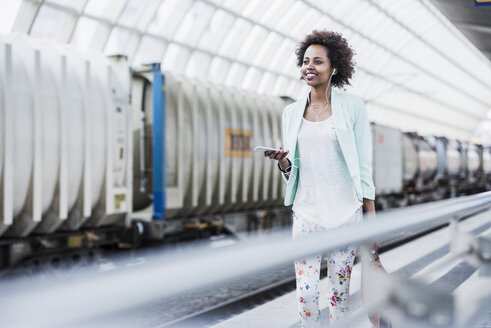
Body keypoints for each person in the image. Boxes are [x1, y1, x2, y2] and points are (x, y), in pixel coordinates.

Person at [265, 30, 376, 327]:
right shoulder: (290, 113)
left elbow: (364, 168)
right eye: (305, 61)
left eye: (318, 61)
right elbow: (295, 169)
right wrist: (284, 162)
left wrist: (372, 219)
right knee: (306, 294)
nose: (309, 67)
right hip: (306, 212)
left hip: (345, 213)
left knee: (339, 296)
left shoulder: (353, 109)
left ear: (334, 68)